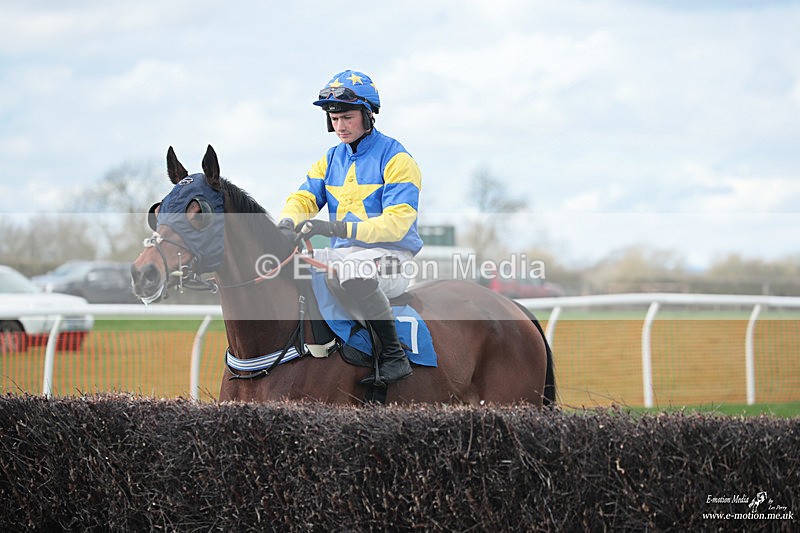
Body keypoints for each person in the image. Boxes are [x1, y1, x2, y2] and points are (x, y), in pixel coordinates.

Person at [277, 69, 423, 385]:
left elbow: (397, 224)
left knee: (354, 273)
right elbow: (303, 196)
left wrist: (340, 229)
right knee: (290, 271)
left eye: (347, 118)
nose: (340, 126)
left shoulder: (398, 159)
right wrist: (287, 222)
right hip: (343, 256)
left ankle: (393, 357)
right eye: (334, 118)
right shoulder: (330, 160)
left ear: (368, 114)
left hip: (393, 258)